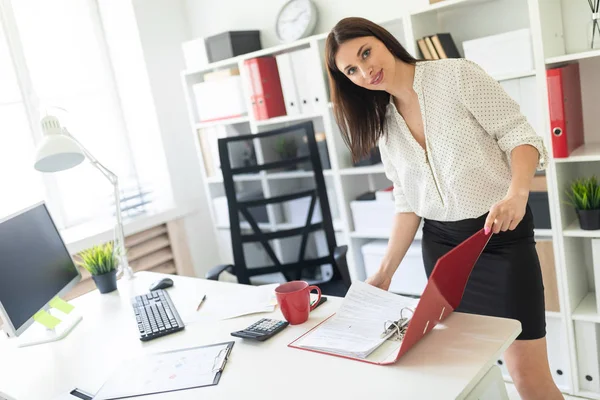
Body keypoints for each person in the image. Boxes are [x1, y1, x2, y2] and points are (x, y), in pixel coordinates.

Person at [325, 17, 563, 400]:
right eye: (351, 69)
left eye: (366, 53)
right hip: (443, 253)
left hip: (499, 240)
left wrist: (517, 194)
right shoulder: (382, 119)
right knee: (466, 376)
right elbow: (407, 200)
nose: (365, 70)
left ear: (384, 41)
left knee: (529, 378)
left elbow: (520, 136)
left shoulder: (455, 76)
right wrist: (384, 274)